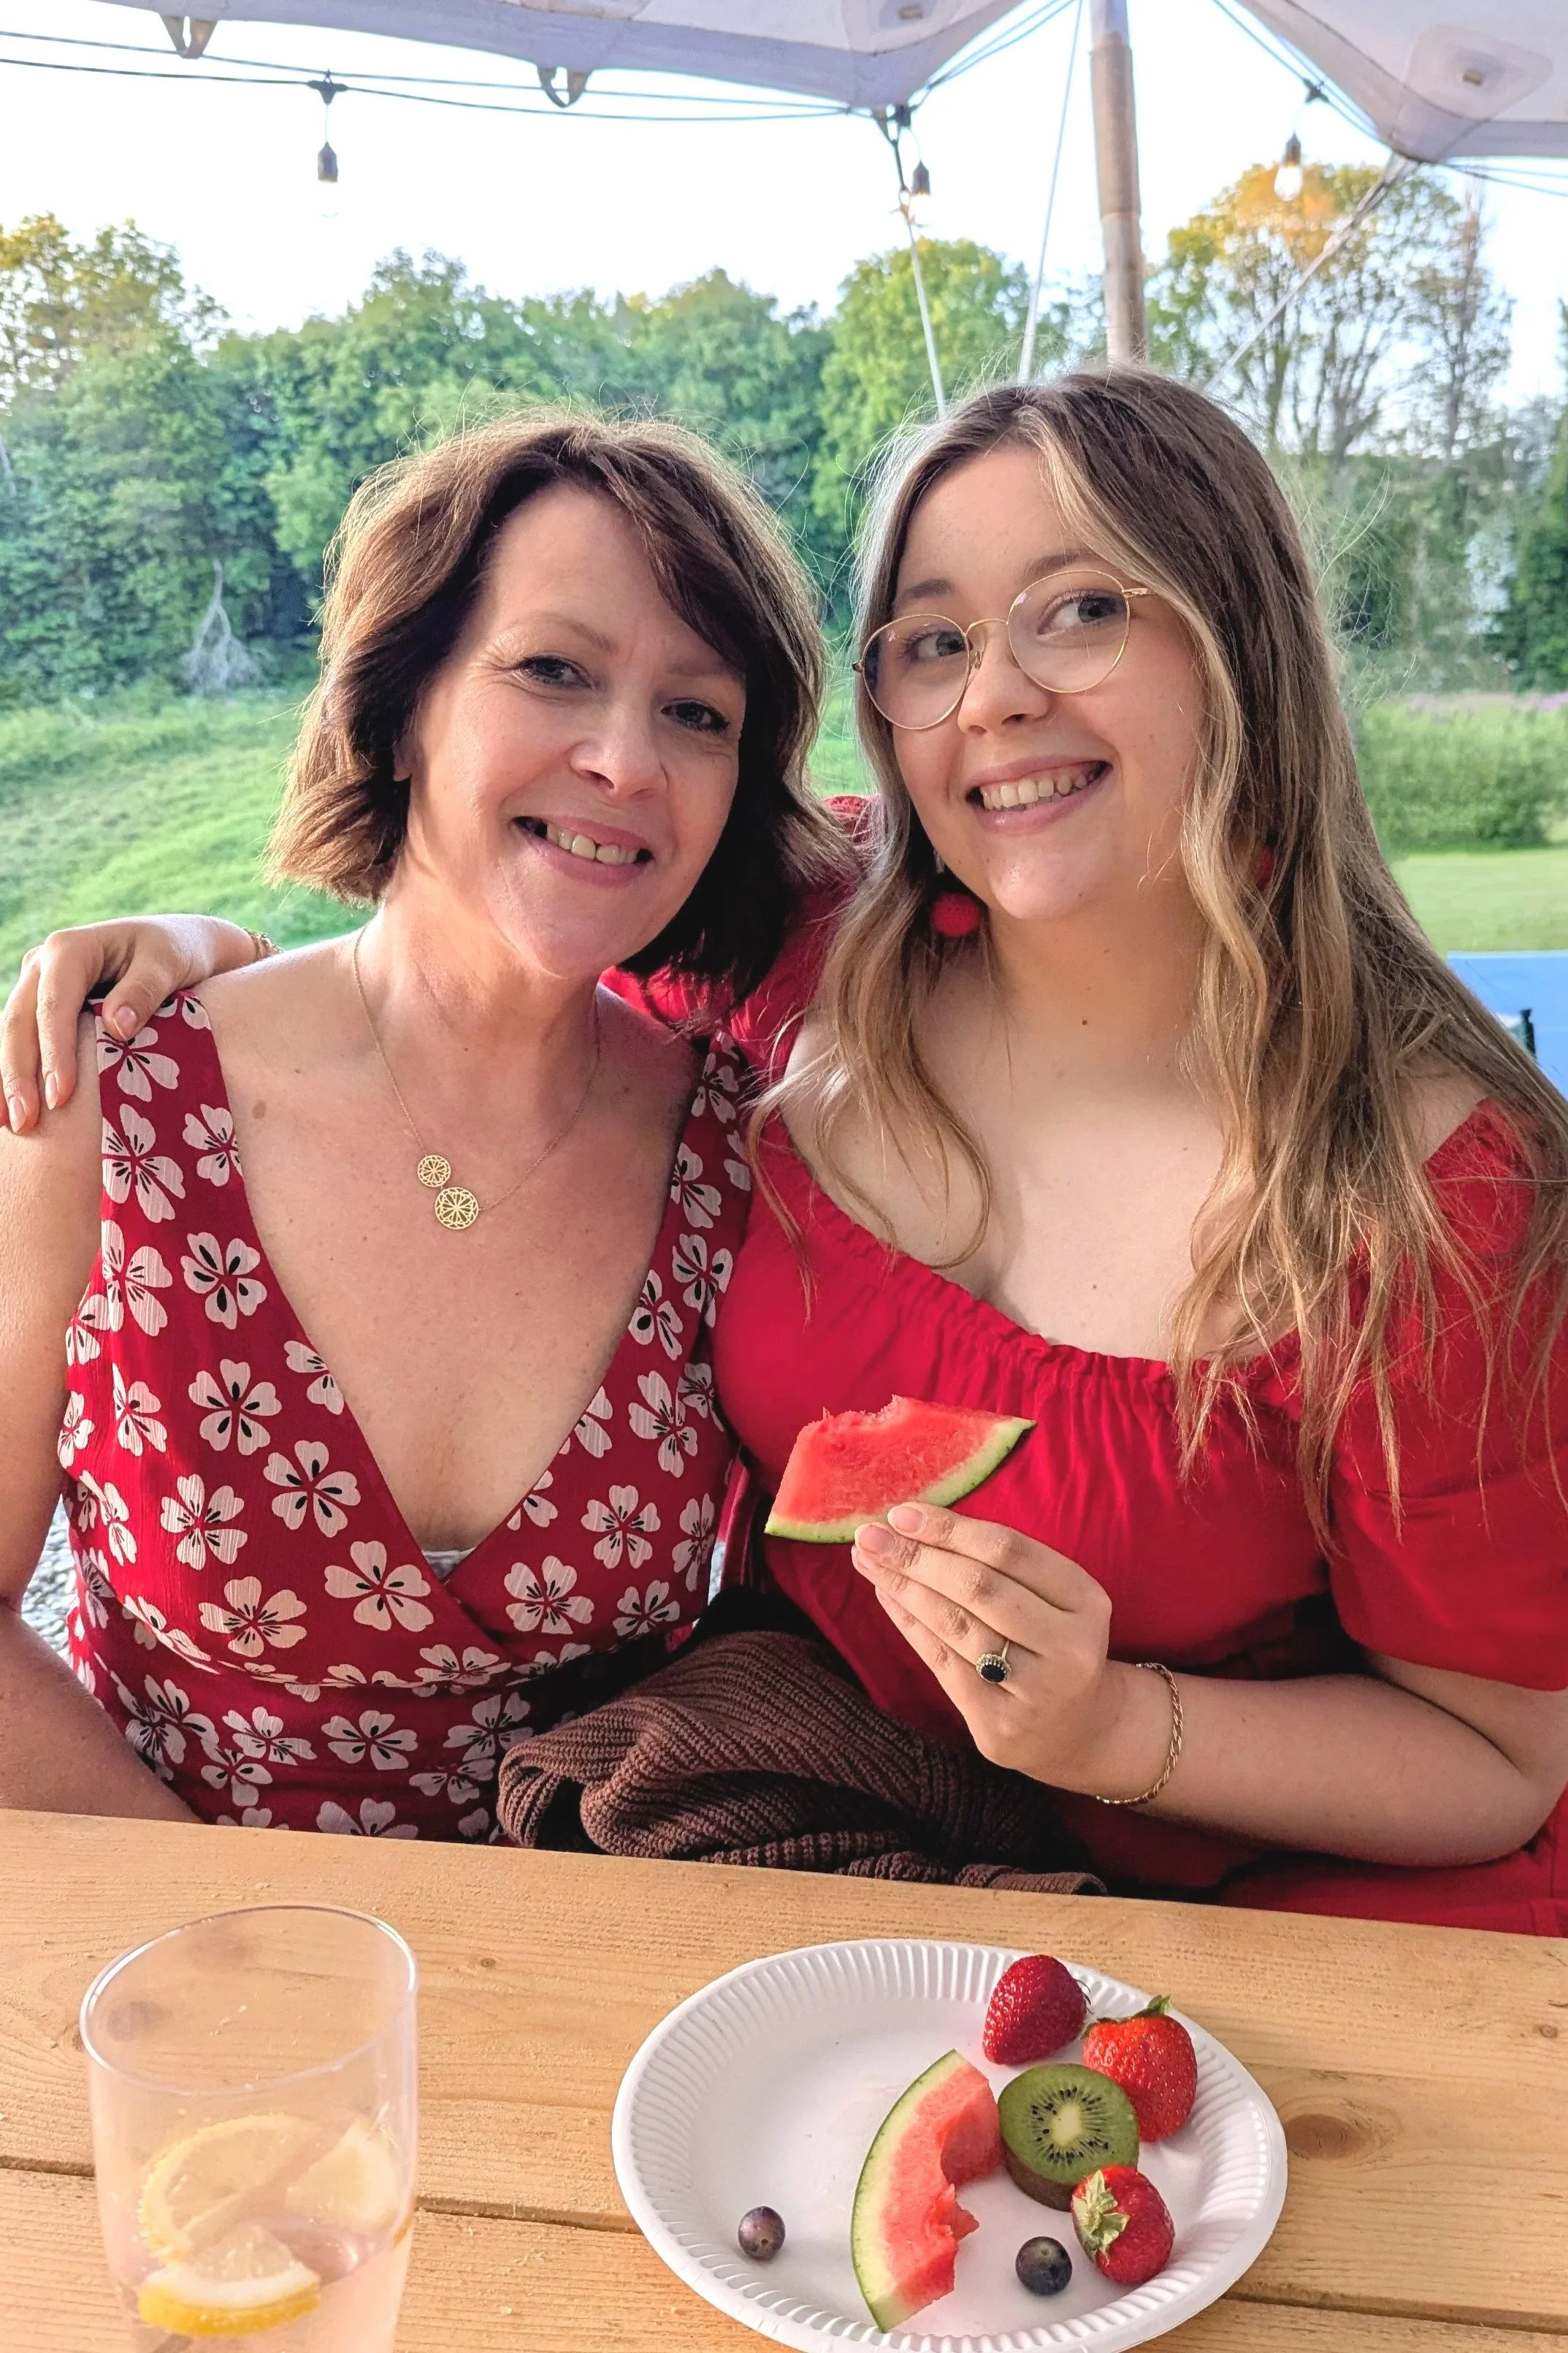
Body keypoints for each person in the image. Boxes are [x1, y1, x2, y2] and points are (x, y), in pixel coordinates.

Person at [11, 374, 1568, 1932]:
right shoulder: (810, 960)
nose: (994, 695)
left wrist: (1111, 1728)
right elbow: (483, 946)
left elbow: (1497, 1757)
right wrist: (192, 961)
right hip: (609, 1879)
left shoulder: (1419, 1185)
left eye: (1083, 608)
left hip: (1222, 1914)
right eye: (935, 640)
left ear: (1238, 645)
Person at [0, 410, 838, 1837]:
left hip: (596, 1945)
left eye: (697, 712)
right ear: (398, 712)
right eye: (553, 670)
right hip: (172, 1940)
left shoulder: (736, 1165)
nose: (626, 760)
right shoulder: (106, 1099)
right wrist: (257, 1933)